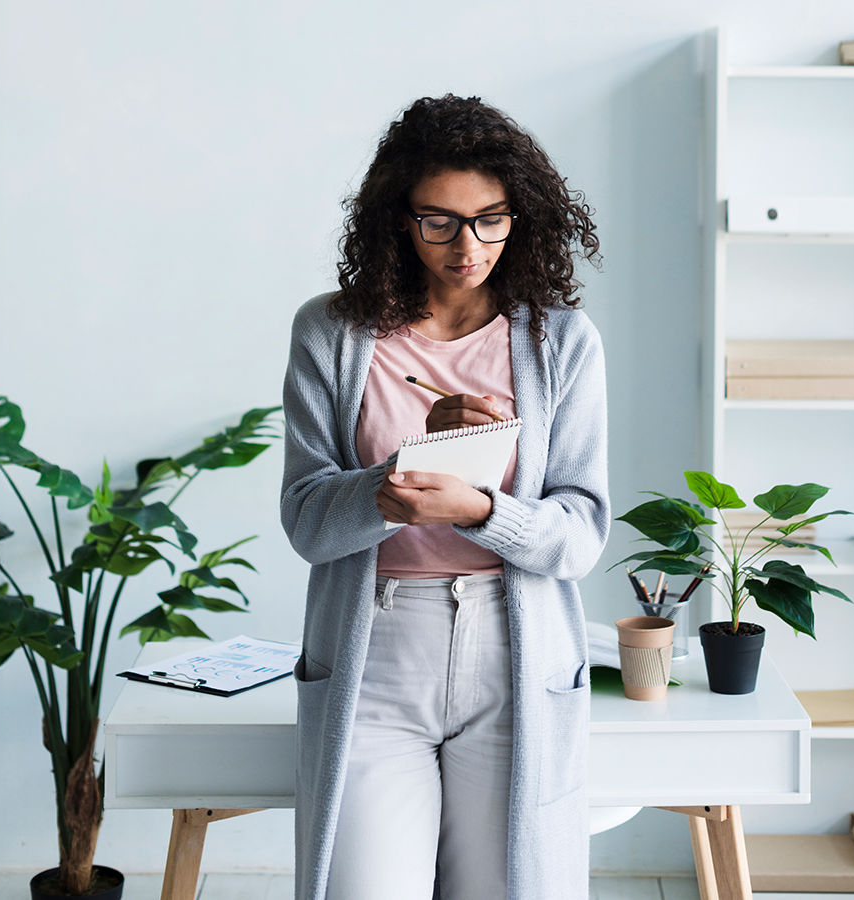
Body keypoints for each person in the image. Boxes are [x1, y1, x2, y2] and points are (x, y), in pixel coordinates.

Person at [278, 94, 609, 900]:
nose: (469, 247)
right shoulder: (332, 333)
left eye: (492, 220)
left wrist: (482, 509)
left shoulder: (560, 341)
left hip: (513, 647)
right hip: (376, 649)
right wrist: (399, 476)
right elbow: (307, 522)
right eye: (441, 222)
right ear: (398, 219)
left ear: (521, 218)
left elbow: (581, 535)